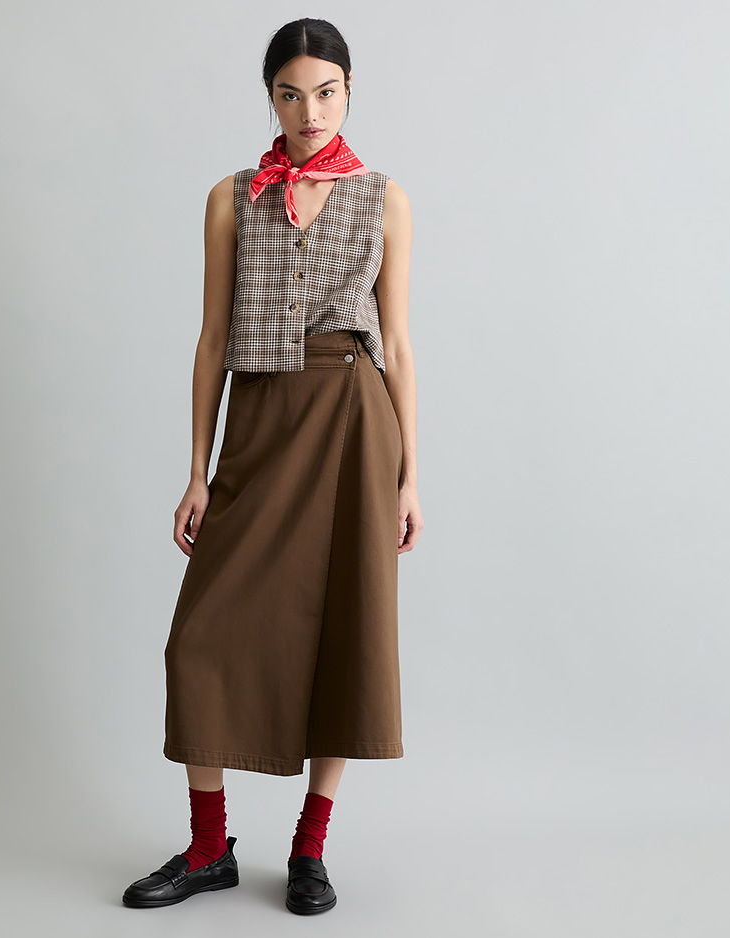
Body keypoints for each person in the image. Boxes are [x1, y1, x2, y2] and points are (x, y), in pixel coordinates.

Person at [122, 17, 422, 915]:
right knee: (200, 638)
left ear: (349, 91)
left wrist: (411, 475)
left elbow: (399, 343)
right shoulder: (232, 198)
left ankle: (309, 848)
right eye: (291, 95)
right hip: (258, 422)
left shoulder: (384, 198)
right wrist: (197, 470)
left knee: (345, 632)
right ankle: (208, 848)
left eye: (326, 93)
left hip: (353, 422)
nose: (309, 112)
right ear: (271, 98)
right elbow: (212, 340)